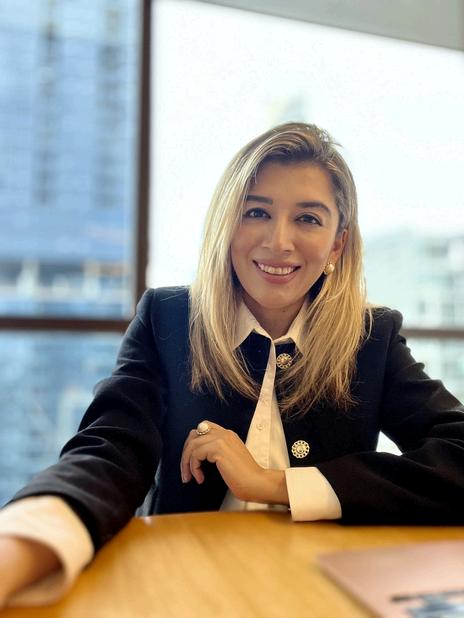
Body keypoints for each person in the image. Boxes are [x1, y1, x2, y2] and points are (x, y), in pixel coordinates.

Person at [1, 122, 463, 608]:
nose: (279, 241)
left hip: (322, 589)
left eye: (308, 219)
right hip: (185, 587)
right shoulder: (169, 319)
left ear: (337, 244)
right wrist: (23, 541)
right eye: (256, 212)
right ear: (227, 225)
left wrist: (277, 485)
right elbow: (109, 450)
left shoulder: (370, 337)